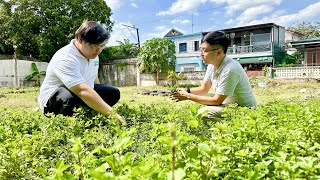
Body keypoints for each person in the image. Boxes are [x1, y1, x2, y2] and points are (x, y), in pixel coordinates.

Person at [38, 20, 126, 125]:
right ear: (80, 39)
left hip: (79, 93)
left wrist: (100, 99)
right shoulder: (65, 58)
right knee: (68, 98)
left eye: (102, 46)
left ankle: (87, 113)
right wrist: (114, 115)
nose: (98, 51)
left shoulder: (94, 55)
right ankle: (66, 121)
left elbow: (94, 78)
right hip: (54, 100)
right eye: (94, 46)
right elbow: (82, 90)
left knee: (113, 93)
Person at [171, 31, 257, 122]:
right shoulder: (211, 66)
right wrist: (187, 91)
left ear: (219, 52)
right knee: (206, 102)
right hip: (229, 105)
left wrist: (188, 96)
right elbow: (204, 88)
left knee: (204, 112)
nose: (201, 54)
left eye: (205, 50)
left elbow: (216, 101)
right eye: (201, 50)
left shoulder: (230, 69)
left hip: (245, 110)